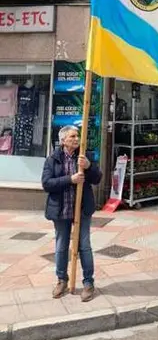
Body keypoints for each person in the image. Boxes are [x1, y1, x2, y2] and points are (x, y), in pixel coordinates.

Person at [42, 125, 102, 301]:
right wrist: (70, 179)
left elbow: (97, 178)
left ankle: (88, 283)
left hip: (82, 209)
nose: (76, 139)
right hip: (61, 210)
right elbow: (46, 183)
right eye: (72, 136)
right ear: (63, 141)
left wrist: (89, 166)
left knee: (84, 245)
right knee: (61, 246)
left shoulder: (85, 156)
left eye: (78, 136)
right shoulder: (52, 159)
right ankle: (61, 280)